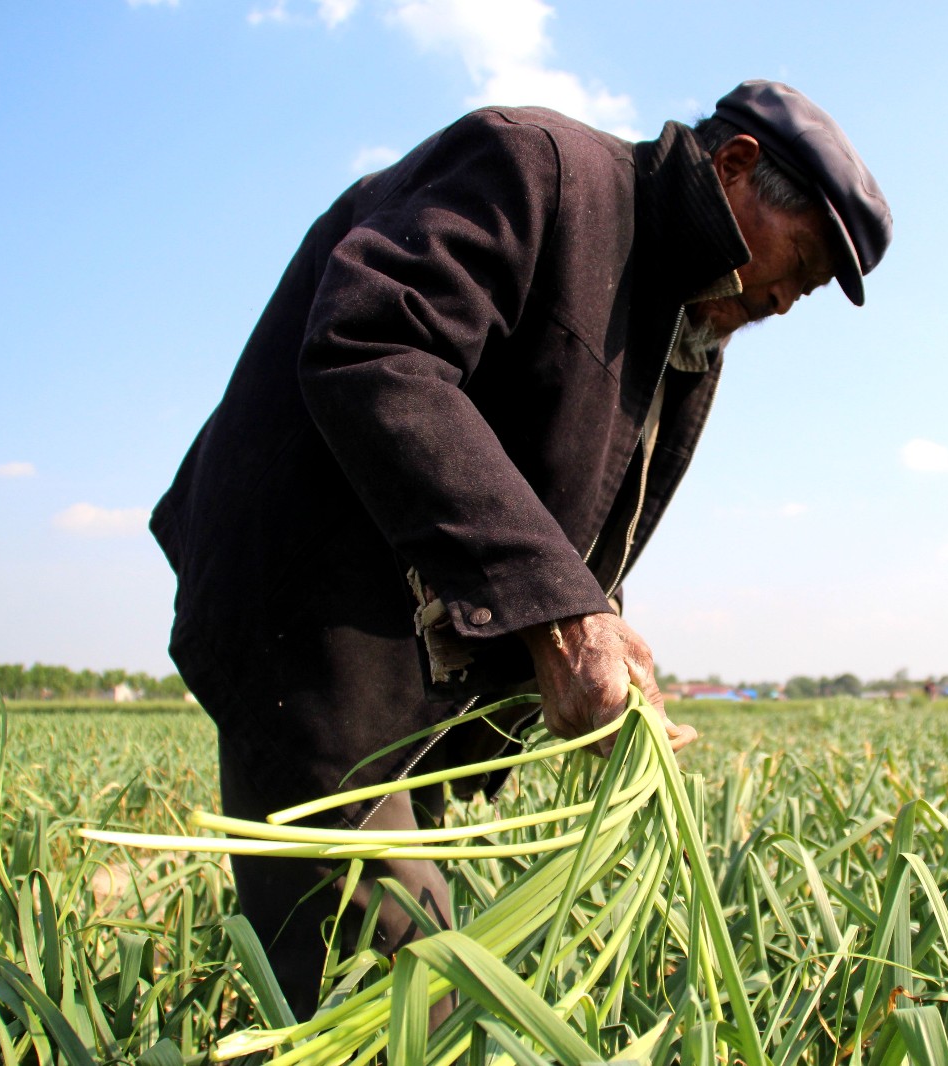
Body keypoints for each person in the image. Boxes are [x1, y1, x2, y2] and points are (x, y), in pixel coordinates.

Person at [150, 79, 891, 1018]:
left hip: (411, 659)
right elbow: (372, 349)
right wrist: (562, 614)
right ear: (736, 165)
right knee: (403, 994)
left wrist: (602, 628)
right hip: (314, 621)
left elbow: (563, 506)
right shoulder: (537, 170)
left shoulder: (684, 319)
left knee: (384, 983)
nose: (791, 301)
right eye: (806, 262)